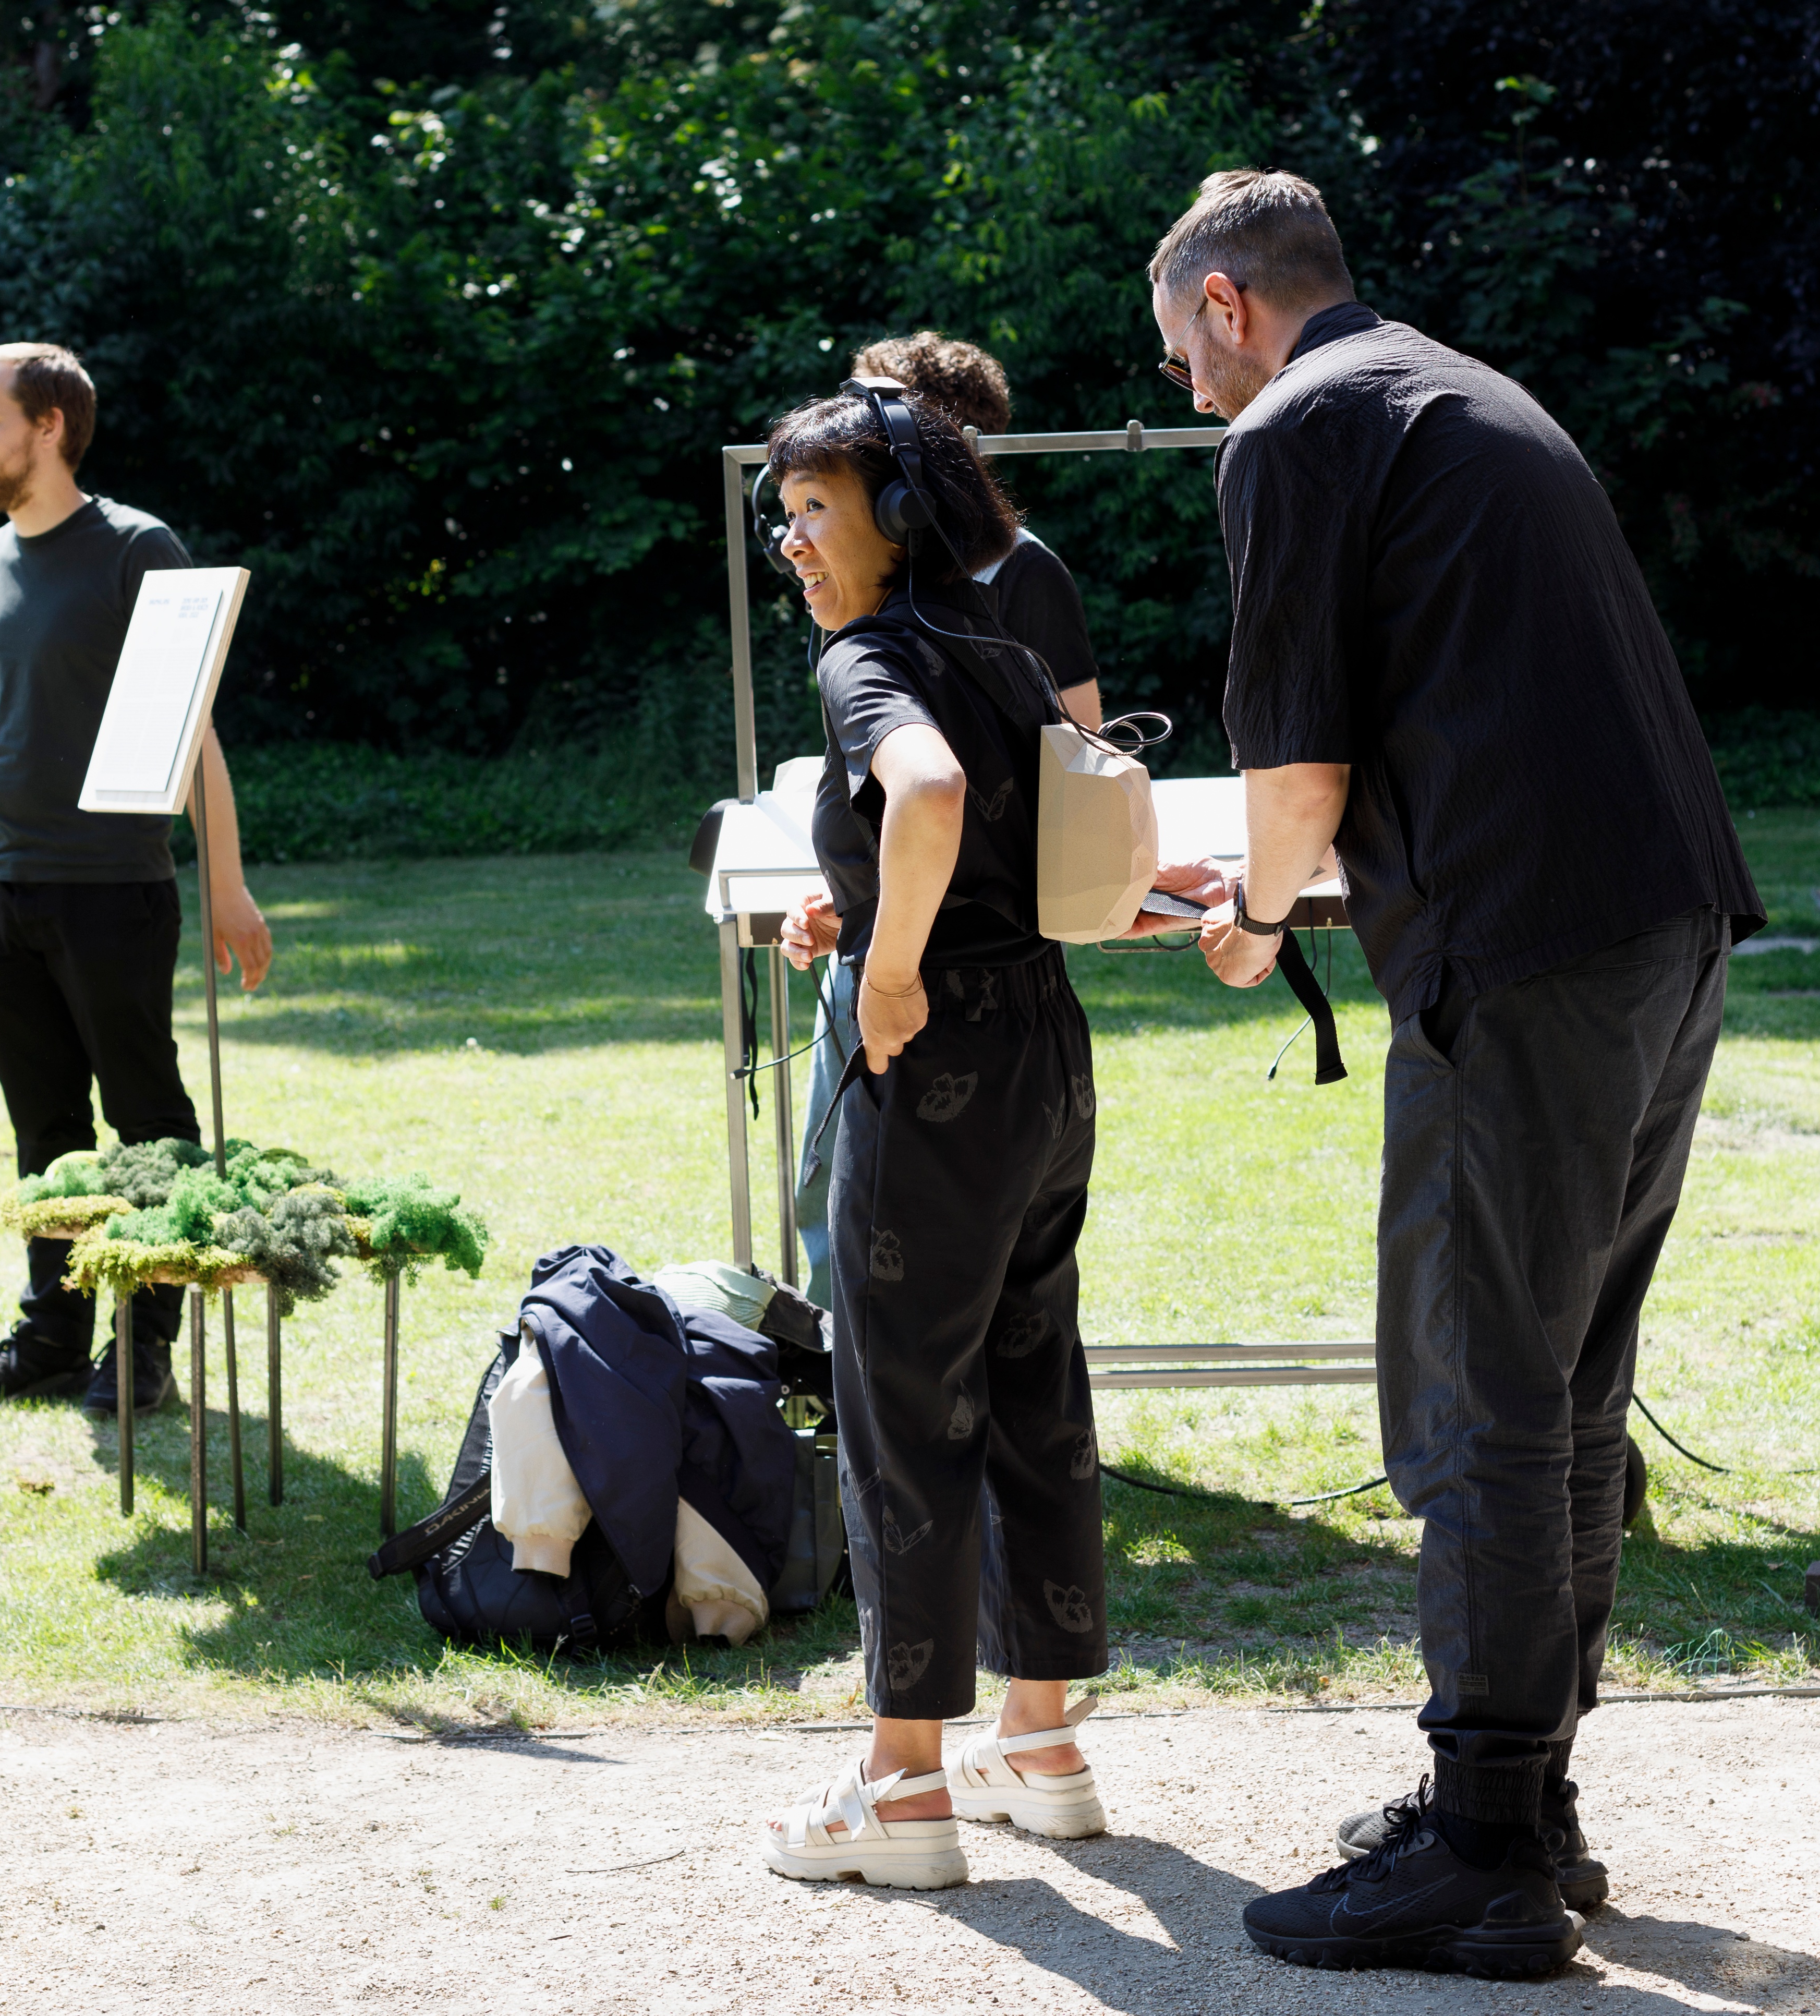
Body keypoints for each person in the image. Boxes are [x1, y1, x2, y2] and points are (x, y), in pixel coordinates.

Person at [1150, 171, 1765, 1975]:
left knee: (1474, 1395)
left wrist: (1256, 916)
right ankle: (1533, 1808)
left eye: (1182, 346)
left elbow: (1294, 776)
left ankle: (1484, 1846)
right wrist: (1300, 878)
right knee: (1563, 1390)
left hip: (1524, 958)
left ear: (1231, 306)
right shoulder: (1454, 389)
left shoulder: (1294, 429)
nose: (1190, 387)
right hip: (1660, 923)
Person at [753, 381, 1133, 1891]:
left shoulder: (869, 658)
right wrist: (871, 914)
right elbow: (1027, 824)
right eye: (783, 517)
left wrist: (892, 966)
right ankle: (1039, 1742)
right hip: (1043, 1046)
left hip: (938, 1064)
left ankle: (900, 1783)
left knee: (903, 1402)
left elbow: (929, 791)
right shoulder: (993, 636)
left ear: (899, 517)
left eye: (817, 513)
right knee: (1035, 1376)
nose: (794, 543)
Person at [0, 343, 276, 1417]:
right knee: (45, 1133)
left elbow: (194, 727)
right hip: (0, 888)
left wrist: (225, 882)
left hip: (111, 888)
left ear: (49, 427)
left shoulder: (136, 547)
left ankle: (143, 1346)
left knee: (148, 1123)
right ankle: (50, 1334)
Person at [785, 332, 1106, 1290]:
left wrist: (888, 970)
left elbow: (1065, 776)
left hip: (951, 980)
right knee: (831, 1197)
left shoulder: (1017, 577)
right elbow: (886, 791)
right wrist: (849, 894)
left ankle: (873, 1420)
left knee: (934, 1286)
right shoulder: (861, 598)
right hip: (904, 955)